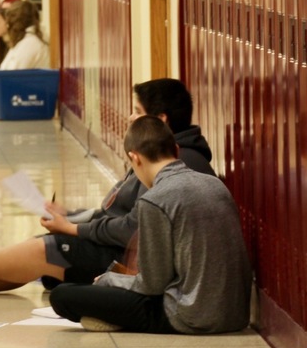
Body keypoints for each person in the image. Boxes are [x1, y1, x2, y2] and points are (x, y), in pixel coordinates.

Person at [0, 78, 216, 298]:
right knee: (40, 255)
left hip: (131, 260)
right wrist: (71, 216)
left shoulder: (176, 163)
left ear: (161, 119)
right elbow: (116, 211)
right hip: (114, 245)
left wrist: (74, 229)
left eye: (138, 111)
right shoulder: (161, 149)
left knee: (45, 250)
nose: (130, 116)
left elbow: (134, 230)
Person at [49, 116, 251, 334]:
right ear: (175, 150)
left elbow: (151, 285)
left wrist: (109, 279)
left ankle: (116, 317)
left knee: (62, 296)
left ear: (135, 158)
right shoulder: (215, 185)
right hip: (235, 316)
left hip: (189, 316)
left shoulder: (154, 199)